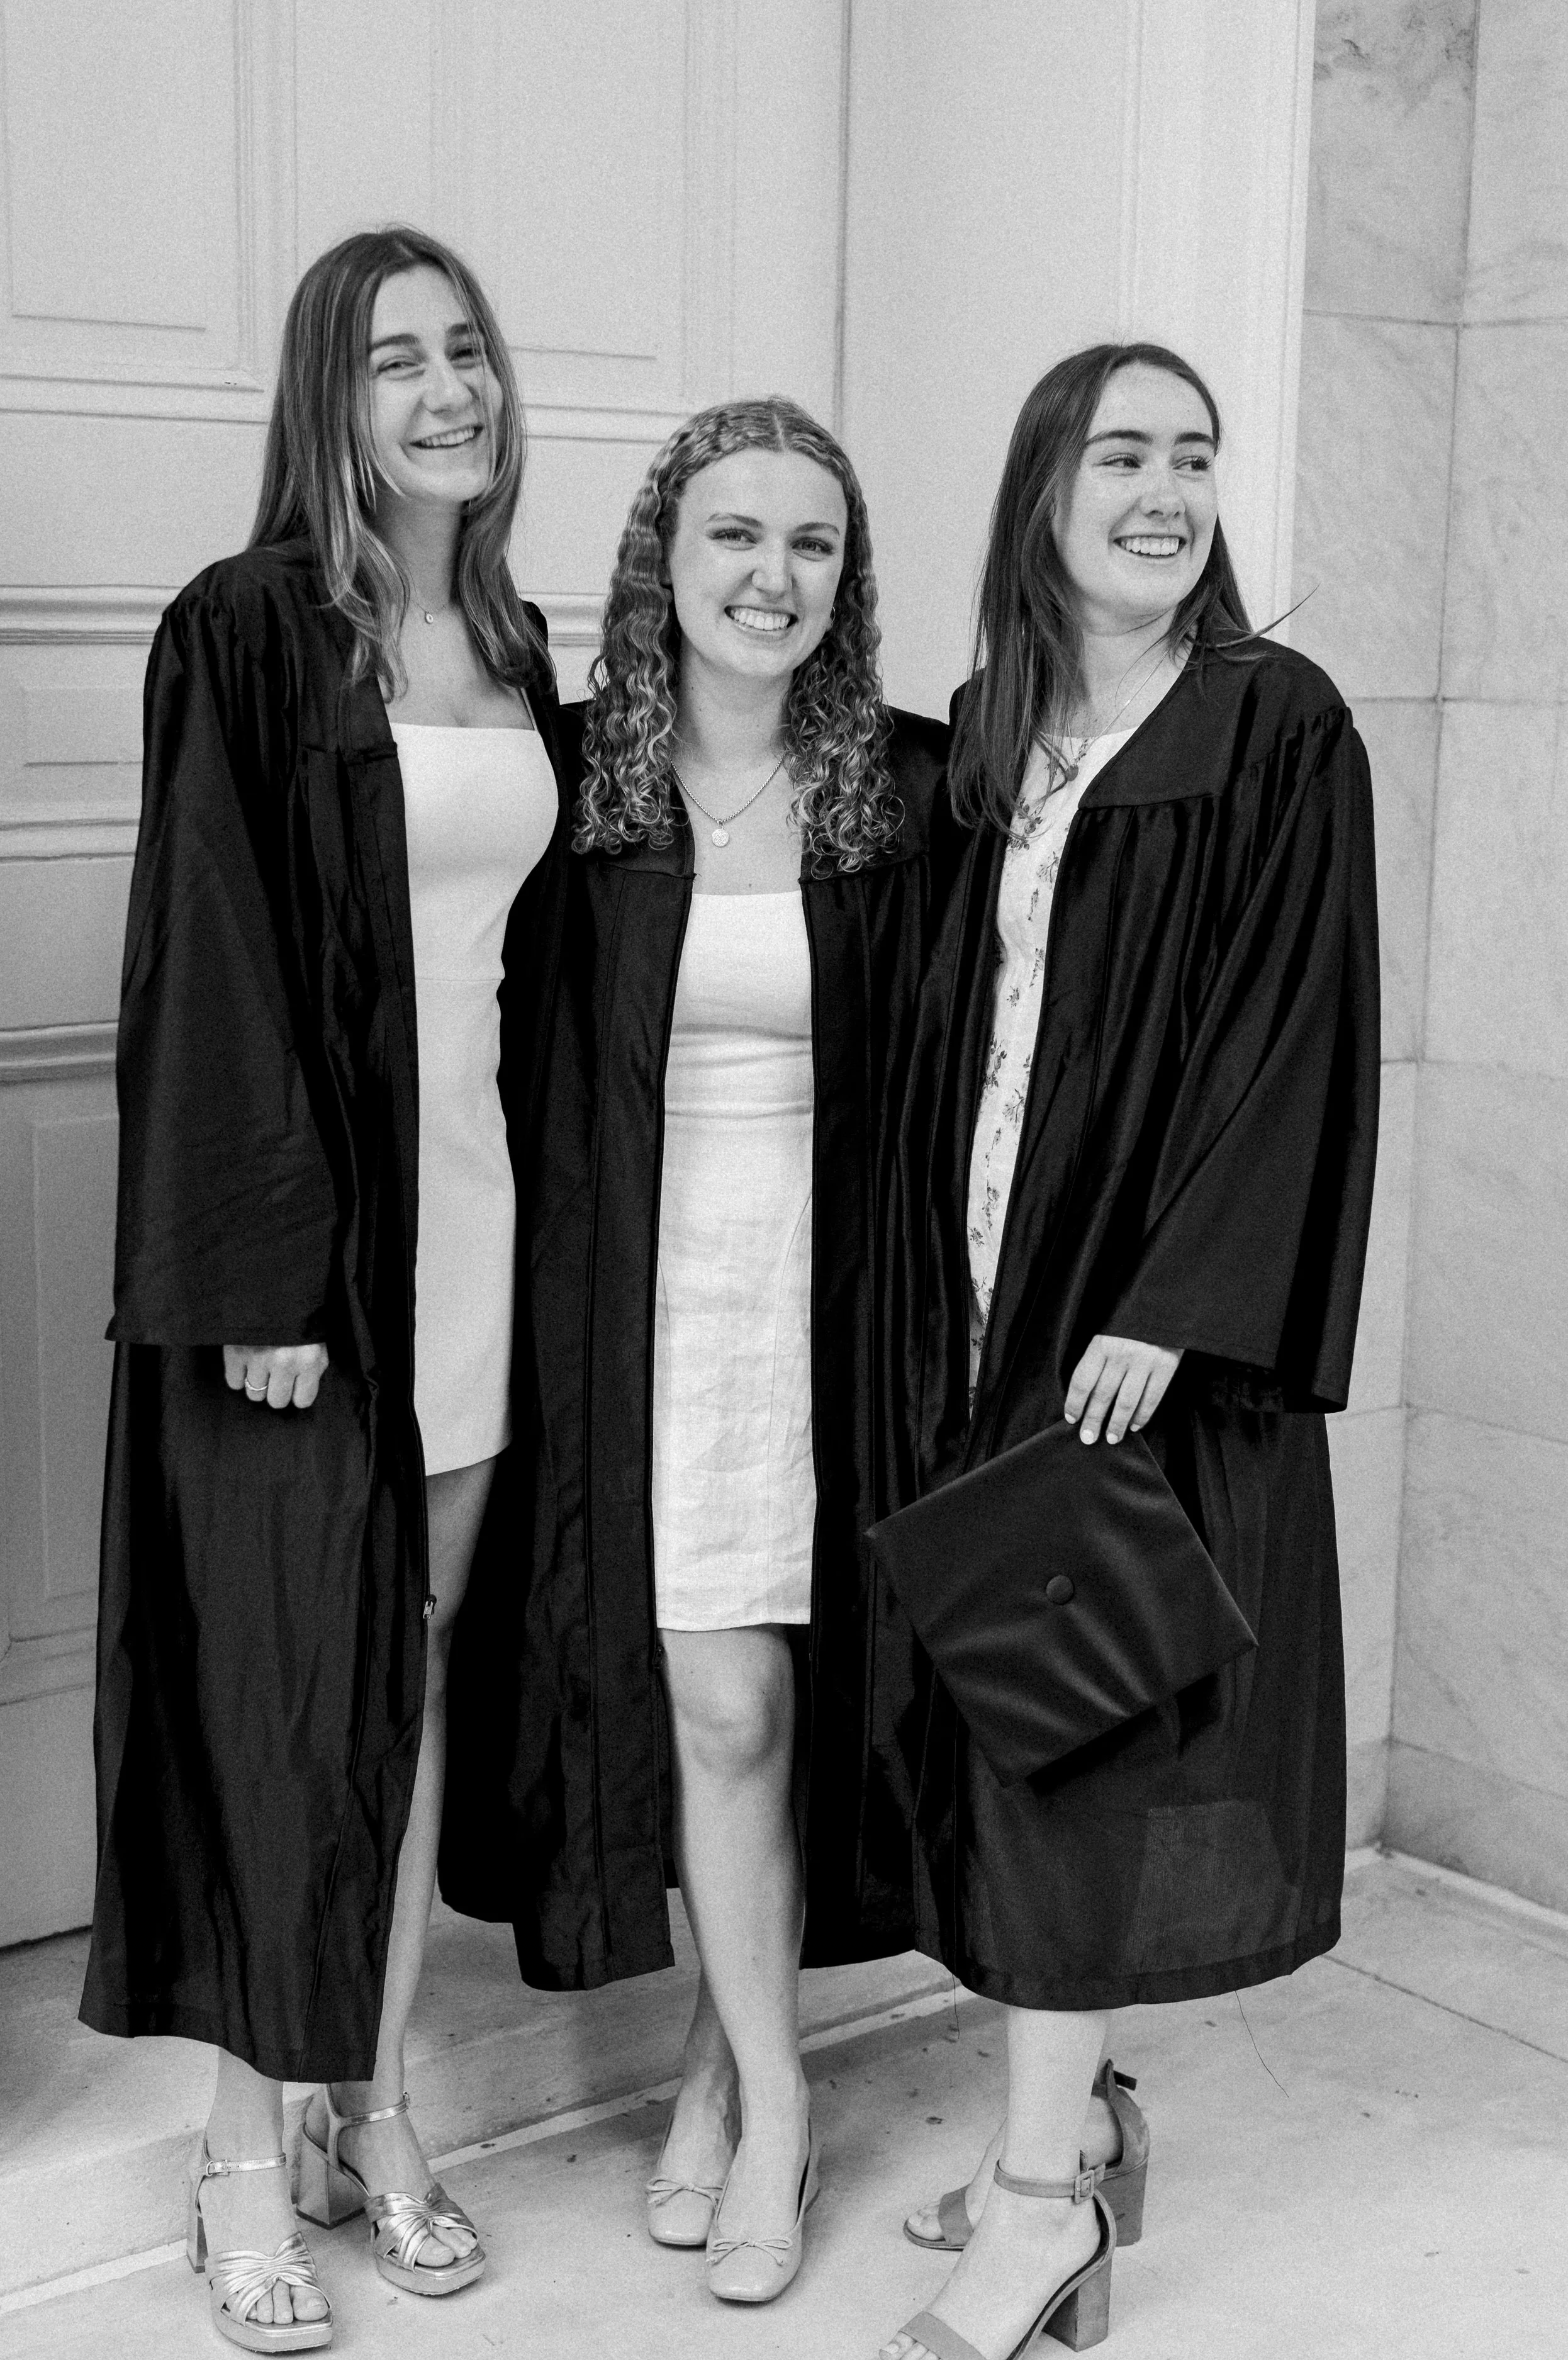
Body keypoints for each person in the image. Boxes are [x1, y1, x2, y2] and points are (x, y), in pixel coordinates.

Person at [79, 226, 569, 2352]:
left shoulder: (516, 637)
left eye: (466, 350)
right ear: (329, 401)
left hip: (481, 1232)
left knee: (415, 1681)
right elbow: (209, 951)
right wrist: (258, 1269)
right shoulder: (253, 626)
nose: (447, 389)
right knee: (288, 1697)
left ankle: (370, 2109)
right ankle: (233, 2150)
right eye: (395, 361)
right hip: (309, 1265)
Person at [877, 343, 1380, 2360]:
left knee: (1071, 1747)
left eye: (1192, 456)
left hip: (1134, 1329)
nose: (1163, 491)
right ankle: (1073, 2119)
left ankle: (1036, 2210)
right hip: (987, 1304)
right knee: (1021, 1718)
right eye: (1121, 455)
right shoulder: (996, 730)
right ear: (1043, 489)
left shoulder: (1272, 718)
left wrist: (1174, 1300)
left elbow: (1296, 1026)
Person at [440, 397, 949, 2308]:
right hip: (641, 1308)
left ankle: (732, 2080)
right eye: (734, 532)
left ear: (848, 578)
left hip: (843, 1306)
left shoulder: (909, 785)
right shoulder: (577, 784)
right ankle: (770, 2084)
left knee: (790, 1702)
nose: (771, 575)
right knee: (720, 1705)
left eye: (813, 542)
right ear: (664, 553)